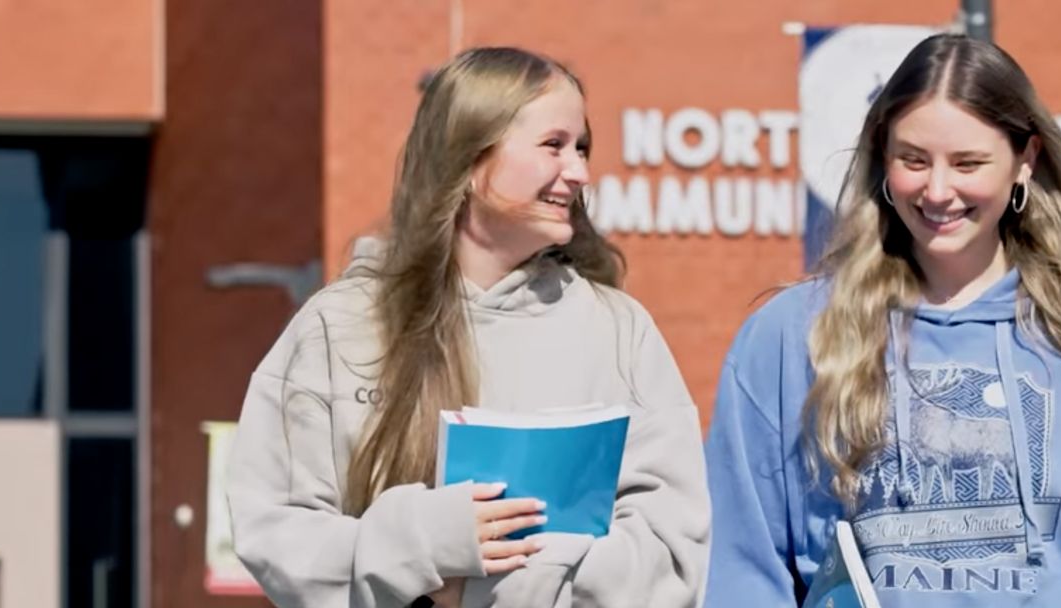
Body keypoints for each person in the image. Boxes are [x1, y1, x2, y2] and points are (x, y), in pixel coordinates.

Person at [704, 34, 1061, 607]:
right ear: (882, 157)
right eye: (913, 160)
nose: (938, 191)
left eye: (968, 163)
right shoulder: (790, 337)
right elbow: (742, 568)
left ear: (1027, 160)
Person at [226, 47, 709, 608]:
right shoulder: (341, 326)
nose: (579, 172)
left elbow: (674, 557)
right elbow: (275, 534)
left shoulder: (621, 331)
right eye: (554, 145)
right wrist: (422, 544)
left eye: (581, 148)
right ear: (470, 161)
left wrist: (501, 575)